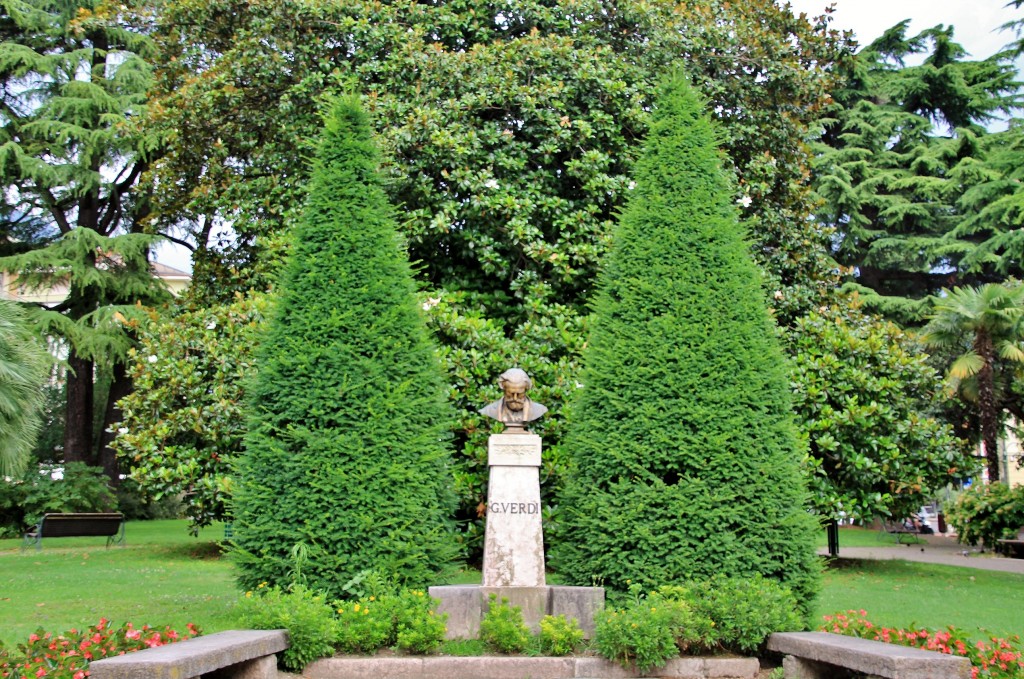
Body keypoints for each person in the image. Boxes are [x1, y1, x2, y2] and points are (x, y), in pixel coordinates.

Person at [478, 368, 547, 432]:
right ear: (503, 388)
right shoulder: (489, 410)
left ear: (526, 390)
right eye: (510, 393)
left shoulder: (539, 410)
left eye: (520, 394)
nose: (515, 398)